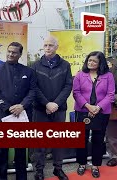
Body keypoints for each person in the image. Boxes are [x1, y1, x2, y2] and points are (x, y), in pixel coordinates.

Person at [0, 42, 36, 180]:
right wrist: (8, 107)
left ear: (20, 55)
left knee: (21, 151)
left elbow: (33, 91)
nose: (10, 54)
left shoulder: (29, 72)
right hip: (1, 114)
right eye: (9, 51)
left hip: (21, 115)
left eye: (14, 52)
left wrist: (22, 106)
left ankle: (21, 177)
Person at [32, 36, 72, 180]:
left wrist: (56, 103)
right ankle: (39, 171)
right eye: (45, 45)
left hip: (59, 109)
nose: (47, 48)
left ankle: (58, 169)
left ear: (56, 47)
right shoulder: (35, 65)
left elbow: (68, 86)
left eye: (50, 45)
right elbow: (34, 87)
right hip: (40, 110)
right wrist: (46, 104)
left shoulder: (65, 65)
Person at [73, 51, 114, 178]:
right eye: (89, 60)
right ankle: (82, 164)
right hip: (83, 110)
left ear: (100, 63)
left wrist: (98, 107)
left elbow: (110, 94)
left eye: (94, 61)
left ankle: (96, 166)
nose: (91, 63)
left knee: (98, 139)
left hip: (101, 112)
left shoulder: (108, 76)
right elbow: (76, 92)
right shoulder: (80, 75)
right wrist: (87, 106)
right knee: (81, 139)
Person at [106, 39, 117, 167]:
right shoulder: (108, 60)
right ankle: (114, 156)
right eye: (116, 41)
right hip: (111, 99)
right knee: (112, 131)